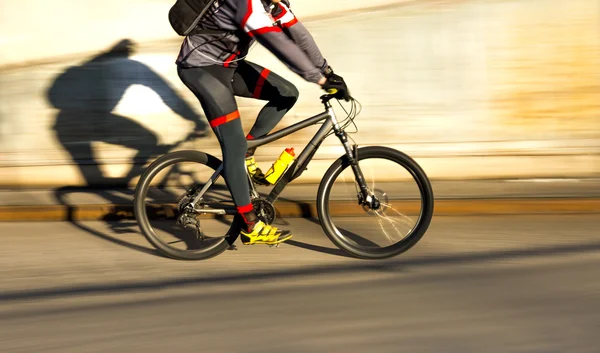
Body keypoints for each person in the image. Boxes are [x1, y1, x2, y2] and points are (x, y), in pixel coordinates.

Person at [176, 0, 350, 246]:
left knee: (286, 93)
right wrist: (318, 79)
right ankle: (250, 224)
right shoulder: (247, 4)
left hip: (229, 66)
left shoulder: (272, 2)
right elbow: (277, 43)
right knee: (233, 145)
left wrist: (327, 70)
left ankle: (248, 150)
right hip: (200, 69)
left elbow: (298, 34)